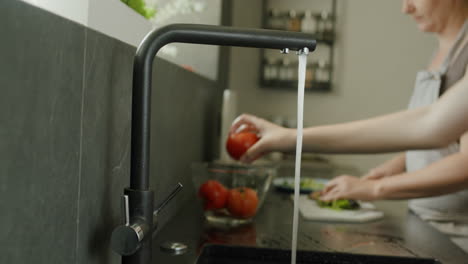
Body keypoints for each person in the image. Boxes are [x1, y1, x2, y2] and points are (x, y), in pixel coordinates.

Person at [230, 0, 468, 234]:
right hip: (426, 222)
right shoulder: (441, 51)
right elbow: (432, 127)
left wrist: (374, 188)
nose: (405, 8)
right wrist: (397, 166)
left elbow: (435, 130)